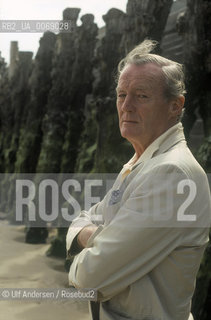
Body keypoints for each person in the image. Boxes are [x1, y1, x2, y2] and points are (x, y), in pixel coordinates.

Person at [66, 40, 211, 320]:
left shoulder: (171, 174)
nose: (127, 106)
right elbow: (82, 218)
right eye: (122, 95)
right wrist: (100, 238)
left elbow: (89, 278)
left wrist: (89, 240)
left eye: (141, 96)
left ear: (175, 106)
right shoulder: (140, 162)